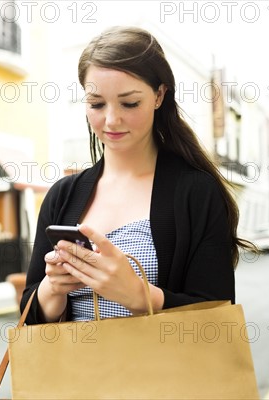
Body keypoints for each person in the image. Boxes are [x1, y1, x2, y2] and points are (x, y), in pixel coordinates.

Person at [21, 26, 254, 324]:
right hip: (77, 370)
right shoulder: (62, 195)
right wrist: (52, 289)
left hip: (163, 370)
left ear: (159, 95)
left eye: (129, 103)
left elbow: (217, 317)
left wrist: (140, 296)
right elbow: (31, 315)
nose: (111, 120)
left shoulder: (195, 191)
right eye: (96, 104)